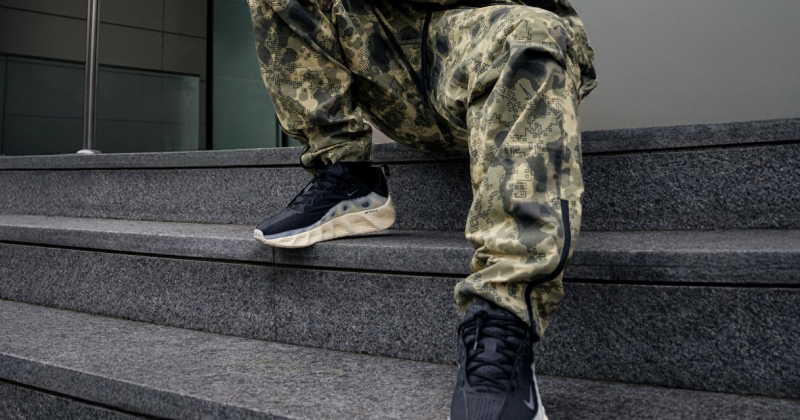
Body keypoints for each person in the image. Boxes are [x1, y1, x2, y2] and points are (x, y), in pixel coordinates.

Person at [248, 0, 596, 418]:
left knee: (532, 31)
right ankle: (345, 171)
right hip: (392, 68)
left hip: (488, 44)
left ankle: (503, 315)